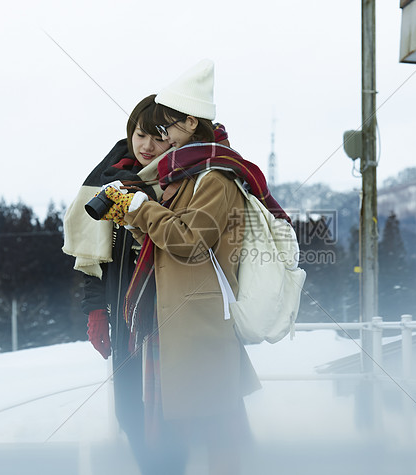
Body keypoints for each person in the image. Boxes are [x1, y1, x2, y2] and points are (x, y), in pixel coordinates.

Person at [99, 59, 292, 475]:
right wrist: (135, 214)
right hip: (177, 323)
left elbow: (190, 241)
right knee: (183, 436)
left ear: (191, 122)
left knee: (217, 433)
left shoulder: (215, 178)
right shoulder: (185, 175)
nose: (161, 138)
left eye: (167, 127)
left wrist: (140, 209)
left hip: (199, 325)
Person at [62, 94, 185, 474]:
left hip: (176, 318)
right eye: (139, 134)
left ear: (176, 139)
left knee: (176, 418)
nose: (146, 146)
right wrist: (96, 309)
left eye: (158, 136)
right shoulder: (110, 182)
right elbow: (94, 258)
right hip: (128, 316)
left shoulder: (184, 181)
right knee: (131, 412)